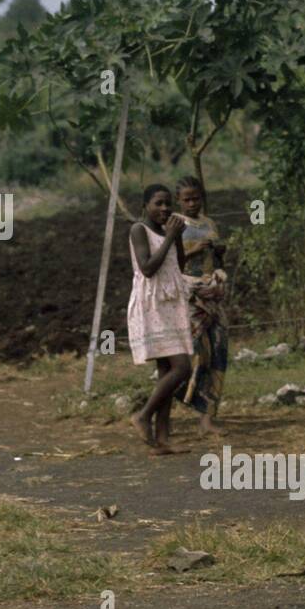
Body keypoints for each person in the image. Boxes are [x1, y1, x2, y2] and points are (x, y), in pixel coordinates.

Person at [127, 183, 194, 454]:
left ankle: (163, 439)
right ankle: (143, 415)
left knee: (168, 370)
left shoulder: (166, 230)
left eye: (168, 203)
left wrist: (176, 237)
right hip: (153, 304)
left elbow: (178, 263)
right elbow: (148, 268)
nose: (165, 208)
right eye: (158, 203)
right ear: (146, 206)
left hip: (171, 301)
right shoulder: (138, 230)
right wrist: (169, 237)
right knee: (182, 367)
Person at [172, 176, 229, 435]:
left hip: (212, 295)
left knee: (218, 350)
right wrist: (194, 250)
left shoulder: (209, 224)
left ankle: (208, 417)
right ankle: (177, 396)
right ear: (179, 201)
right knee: (196, 352)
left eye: (196, 198)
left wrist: (219, 256)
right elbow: (169, 263)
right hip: (189, 297)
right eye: (187, 199)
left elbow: (216, 261)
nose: (192, 203)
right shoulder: (173, 225)